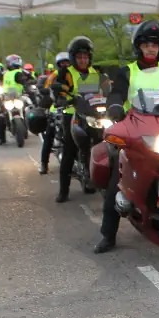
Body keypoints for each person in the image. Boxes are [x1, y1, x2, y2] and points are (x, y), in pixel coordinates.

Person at [93, 19, 159, 253]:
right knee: (118, 177)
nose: (151, 48)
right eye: (146, 44)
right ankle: (108, 234)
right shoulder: (128, 72)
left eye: (155, 44)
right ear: (139, 46)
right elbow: (116, 94)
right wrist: (115, 106)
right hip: (137, 133)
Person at [49, 36, 105, 203]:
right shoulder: (66, 73)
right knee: (70, 149)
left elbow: (108, 87)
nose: (83, 60)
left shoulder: (97, 72)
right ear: (73, 58)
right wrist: (63, 98)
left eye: (86, 57)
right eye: (79, 57)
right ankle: (63, 191)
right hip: (73, 114)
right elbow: (59, 90)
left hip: (96, 114)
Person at [37, 51, 71, 175]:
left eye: (67, 62)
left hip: (76, 107)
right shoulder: (54, 75)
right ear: (58, 64)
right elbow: (46, 88)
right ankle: (44, 164)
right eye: (63, 63)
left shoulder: (77, 74)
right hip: (57, 107)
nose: (65, 65)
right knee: (49, 135)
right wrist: (48, 91)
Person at [0, 55, 33, 145]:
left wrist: (28, 85)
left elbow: (30, 79)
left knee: (28, 109)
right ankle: (2, 138)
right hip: (7, 97)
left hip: (19, 96)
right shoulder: (5, 73)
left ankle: (28, 127)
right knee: (1, 117)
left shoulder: (21, 72)